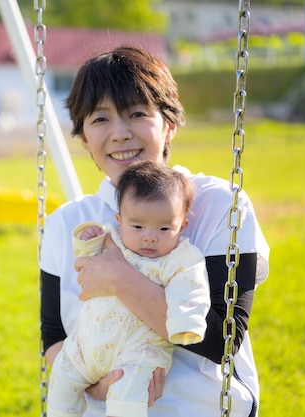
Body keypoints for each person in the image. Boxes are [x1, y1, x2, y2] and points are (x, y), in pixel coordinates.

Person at [39, 45, 270, 417]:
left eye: (137, 114)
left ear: (169, 126)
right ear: (83, 137)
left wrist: (118, 278)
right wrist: (98, 387)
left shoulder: (220, 204)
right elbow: (53, 334)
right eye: (100, 120)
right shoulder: (68, 222)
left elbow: (222, 340)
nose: (119, 133)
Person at [47, 160, 211, 417]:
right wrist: (88, 240)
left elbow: (190, 291)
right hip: (86, 346)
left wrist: (186, 324)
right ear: (119, 220)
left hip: (139, 352)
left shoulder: (180, 258)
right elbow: (85, 262)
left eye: (164, 228)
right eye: (137, 226)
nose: (149, 236)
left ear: (182, 227)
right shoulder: (113, 240)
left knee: (129, 396)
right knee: (61, 381)